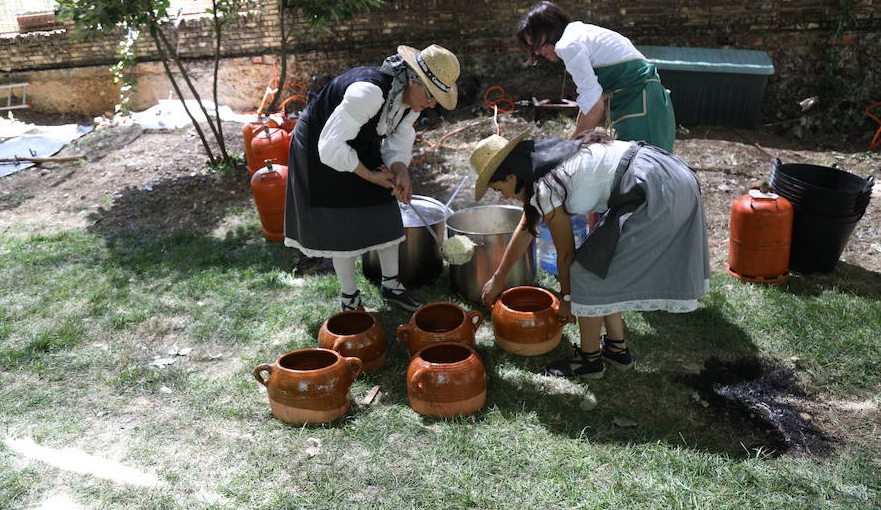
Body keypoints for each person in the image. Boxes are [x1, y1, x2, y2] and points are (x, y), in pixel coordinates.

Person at [472, 129, 709, 379]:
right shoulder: (551, 161)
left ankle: (588, 361)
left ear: (512, 176)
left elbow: (565, 254)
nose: (505, 196)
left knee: (585, 274)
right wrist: (499, 277)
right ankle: (616, 349)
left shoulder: (547, 185)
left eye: (499, 188)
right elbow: (526, 227)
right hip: (665, 174)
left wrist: (567, 298)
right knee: (599, 266)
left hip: (657, 189)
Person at [284, 44, 460, 313]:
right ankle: (350, 299)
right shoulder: (369, 93)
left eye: (437, 98)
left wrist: (401, 171)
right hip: (322, 145)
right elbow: (330, 147)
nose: (432, 103)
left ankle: (391, 285)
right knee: (341, 222)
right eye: (431, 95)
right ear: (413, 80)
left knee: (385, 207)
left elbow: (398, 139)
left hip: (360, 140)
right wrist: (369, 175)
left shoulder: (412, 102)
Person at [516, 1, 676, 152]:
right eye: (531, 47)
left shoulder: (568, 45)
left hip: (641, 108)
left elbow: (594, 107)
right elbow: (591, 99)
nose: (537, 51)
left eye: (536, 42)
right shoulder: (580, 34)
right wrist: (575, 138)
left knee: (645, 167)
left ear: (549, 28)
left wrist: (570, 148)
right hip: (646, 103)